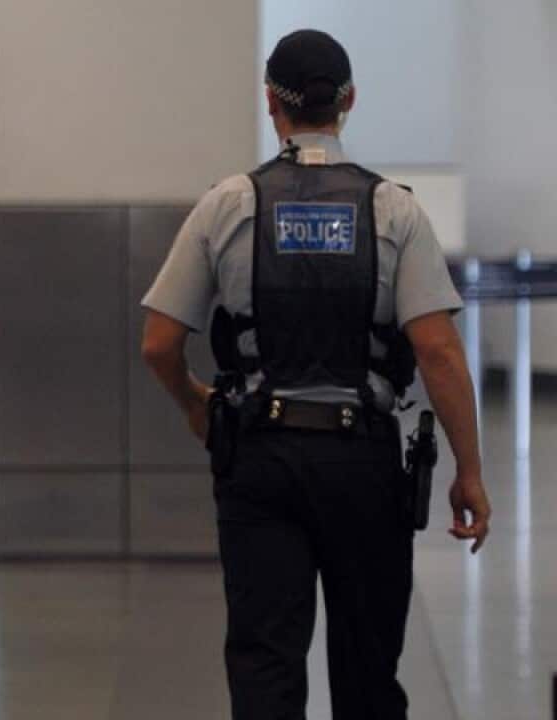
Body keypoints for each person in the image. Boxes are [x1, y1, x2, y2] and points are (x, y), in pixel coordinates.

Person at [140, 29, 491, 720]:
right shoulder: (393, 208)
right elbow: (440, 353)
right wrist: (469, 470)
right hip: (363, 461)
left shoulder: (227, 203)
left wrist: (193, 403)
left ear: (270, 100)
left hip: (259, 458)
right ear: (349, 101)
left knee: (265, 668)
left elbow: (158, 342)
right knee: (368, 670)